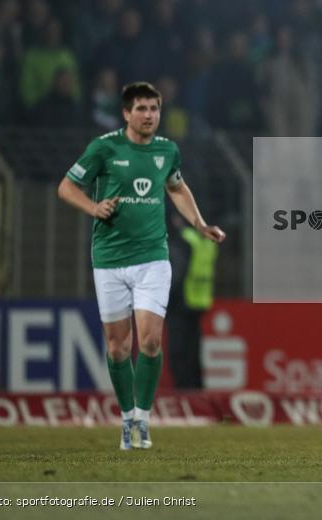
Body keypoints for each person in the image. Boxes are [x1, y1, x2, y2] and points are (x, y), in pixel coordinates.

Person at [57, 81, 225, 450]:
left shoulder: (167, 151)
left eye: (154, 109)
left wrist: (199, 224)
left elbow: (177, 189)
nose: (150, 116)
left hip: (153, 259)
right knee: (119, 348)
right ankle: (126, 416)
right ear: (126, 113)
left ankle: (143, 420)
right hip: (110, 260)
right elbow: (67, 188)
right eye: (142, 109)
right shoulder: (105, 148)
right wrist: (94, 208)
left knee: (149, 341)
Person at [167, 212, 219, 389]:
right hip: (199, 302)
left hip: (180, 302)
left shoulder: (184, 239)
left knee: (178, 352)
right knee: (193, 351)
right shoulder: (206, 241)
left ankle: (184, 393)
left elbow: (177, 272)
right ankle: (196, 391)